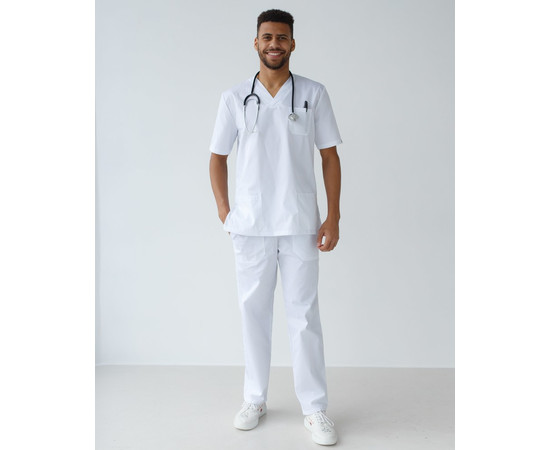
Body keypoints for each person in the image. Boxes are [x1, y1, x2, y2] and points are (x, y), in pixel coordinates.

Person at [208, 9, 342, 446]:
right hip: (250, 227)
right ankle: (254, 399)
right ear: (256, 42)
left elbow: (329, 156)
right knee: (254, 314)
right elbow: (217, 158)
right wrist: (226, 212)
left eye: (282, 37)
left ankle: (315, 408)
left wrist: (333, 215)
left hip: (300, 224)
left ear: (292, 44)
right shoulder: (234, 98)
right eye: (267, 37)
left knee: (304, 317)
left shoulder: (312, 94)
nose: (274, 44)